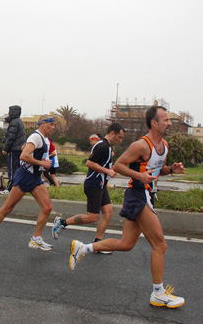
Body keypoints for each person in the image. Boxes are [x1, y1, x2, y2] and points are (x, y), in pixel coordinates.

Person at [69, 106, 186, 309]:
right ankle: (158, 293)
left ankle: (83, 248)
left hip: (147, 195)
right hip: (138, 196)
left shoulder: (164, 146)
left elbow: (158, 170)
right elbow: (119, 166)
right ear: (154, 123)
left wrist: (171, 170)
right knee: (160, 245)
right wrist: (140, 176)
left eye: (169, 120)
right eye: (166, 120)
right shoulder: (141, 145)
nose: (169, 123)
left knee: (126, 244)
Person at [0, 115, 56, 252]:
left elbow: (28, 153)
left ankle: (36, 239)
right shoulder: (36, 137)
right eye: (51, 124)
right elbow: (24, 156)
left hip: (35, 177)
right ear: (43, 124)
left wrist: (40, 164)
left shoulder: (44, 139)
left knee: (47, 207)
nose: (53, 127)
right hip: (25, 176)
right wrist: (41, 163)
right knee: (8, 208)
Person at [52, 124, 125, 252]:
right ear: (112, 133)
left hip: (101, 185)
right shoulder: (102, 146)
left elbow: (102, 164)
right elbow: (89, 163)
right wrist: (107, 171)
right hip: (94, 185)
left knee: (108, 212)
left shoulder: (107, 146)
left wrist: (110, 170)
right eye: (119, 137)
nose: (120, 140)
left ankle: (98, 244)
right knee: (92, 217)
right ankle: (62, 223)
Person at [1, 105, 25, 194]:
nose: (8, 113)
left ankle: (10, 188)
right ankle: (18, 188)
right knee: (18, 169)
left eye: (9, 111)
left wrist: (5, 148)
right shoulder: (19, 121)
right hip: (19, 149)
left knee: (12, 170)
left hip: (14, 149)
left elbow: (11, 137)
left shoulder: (14, 122)